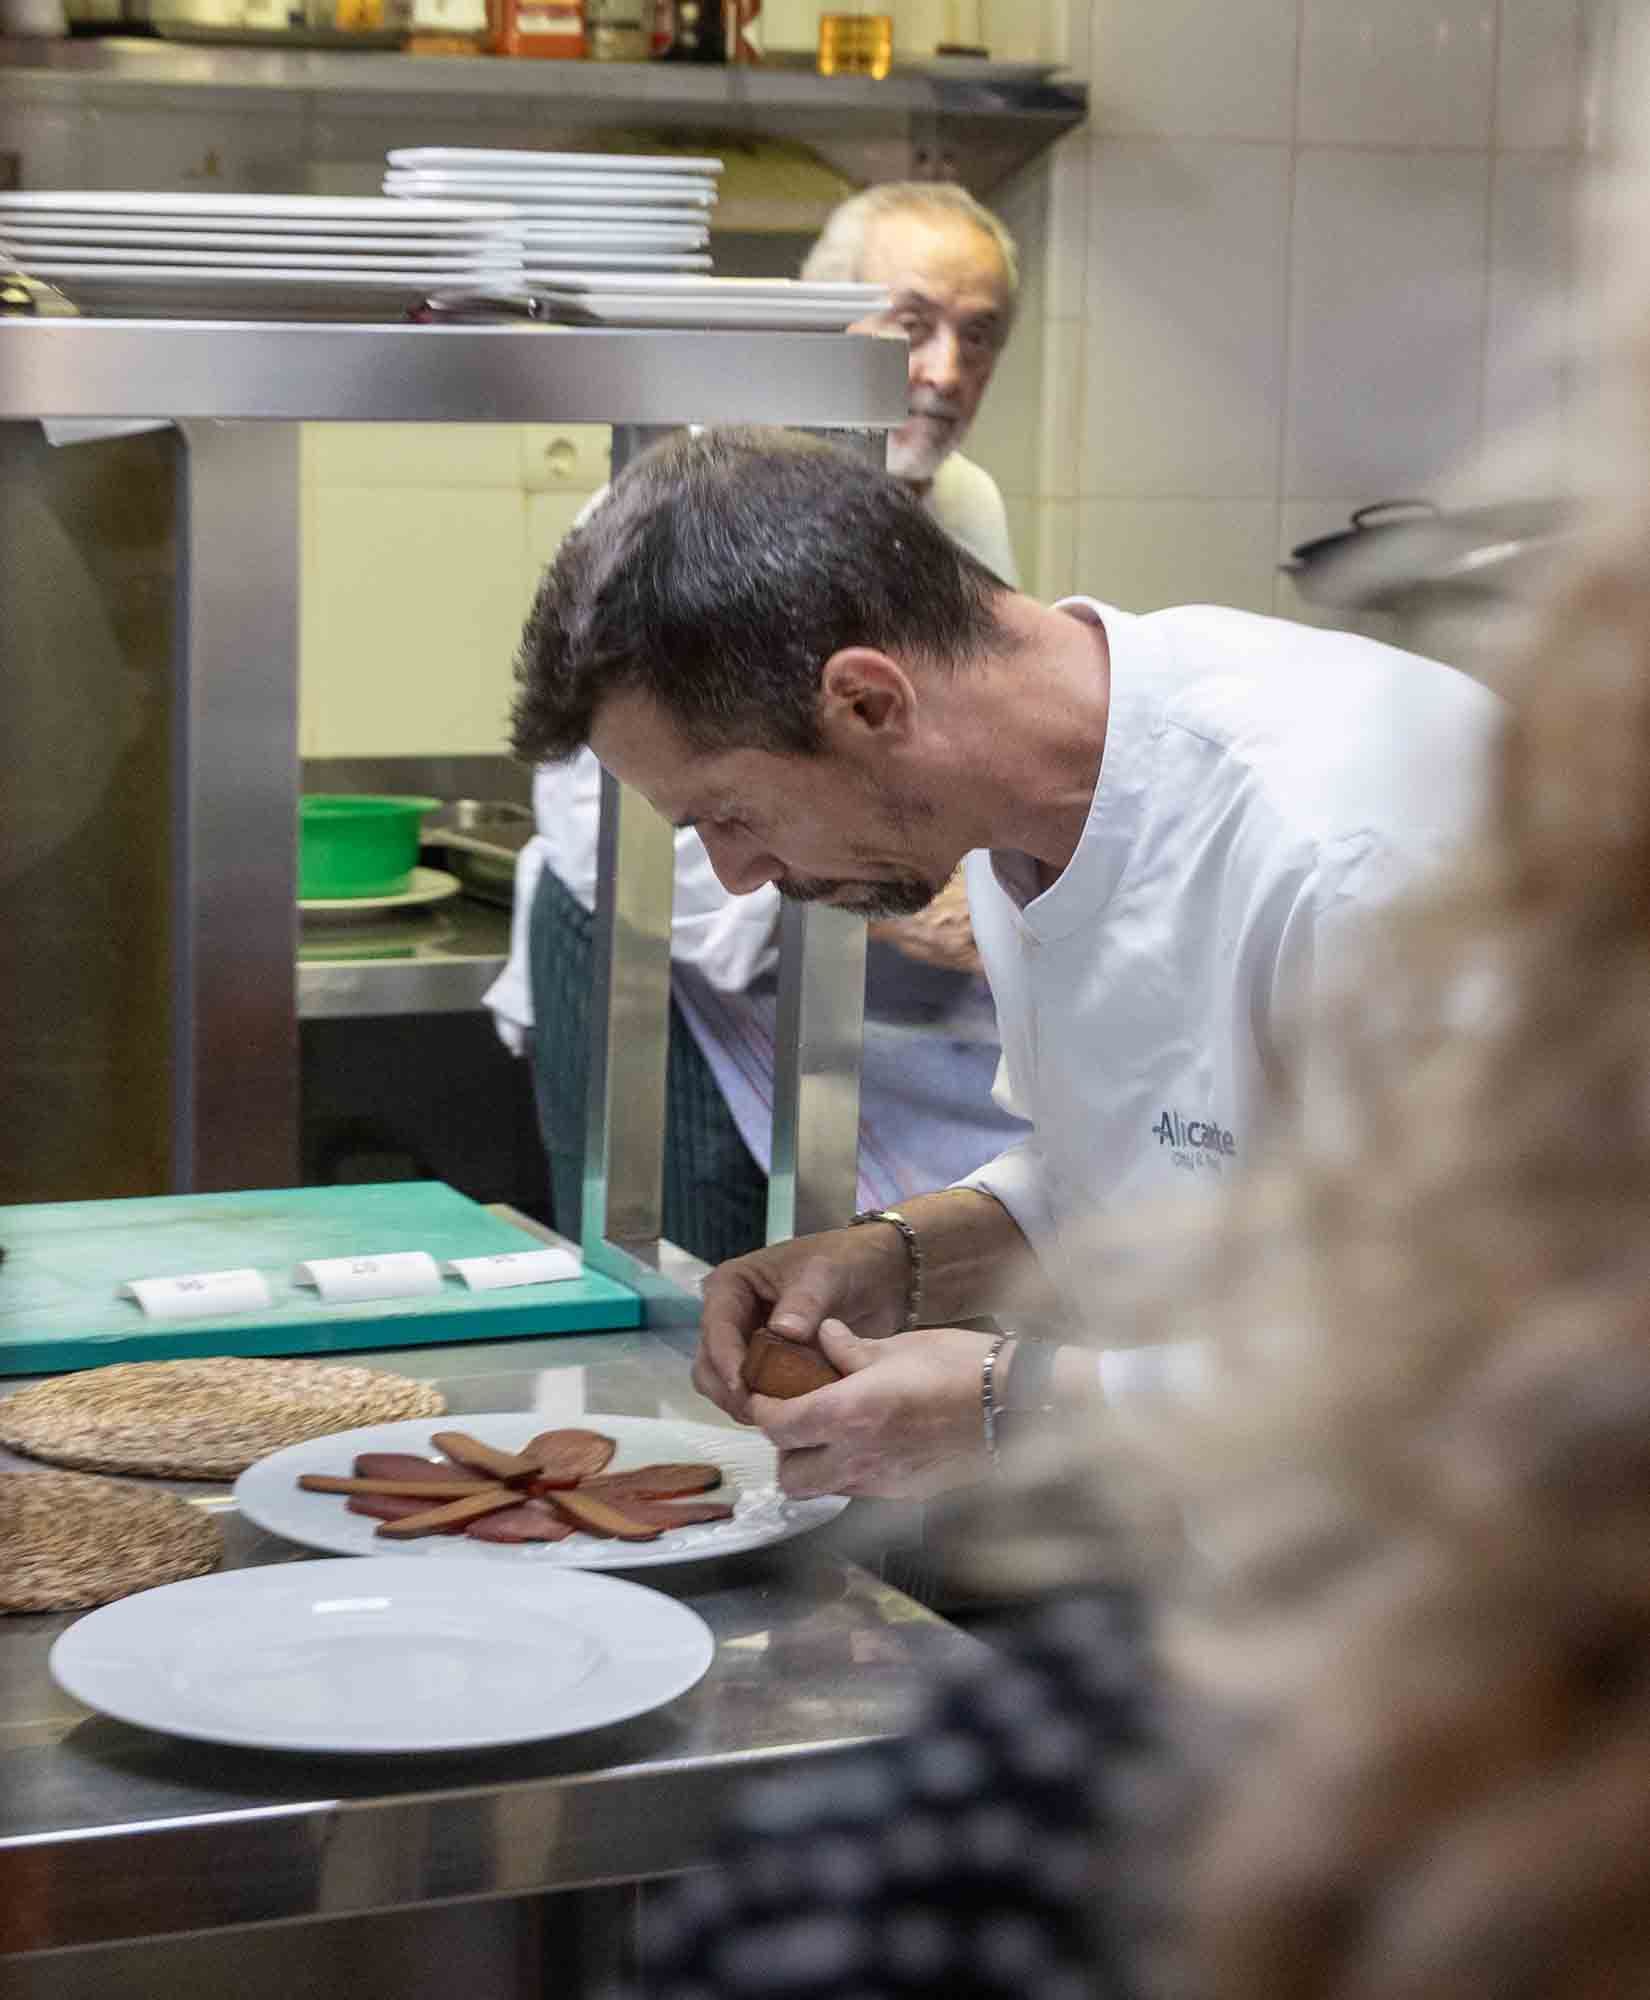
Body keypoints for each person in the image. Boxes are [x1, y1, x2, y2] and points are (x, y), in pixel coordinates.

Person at [508, 425, 1503, 1502]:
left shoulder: (1357, 847)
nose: (737, 875)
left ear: (868, 703)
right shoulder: (1008, 824)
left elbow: (1480, 1355)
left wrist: (1005, 1400)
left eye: (729, 813)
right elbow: (1125, 1176)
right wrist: (897, 1258)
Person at [484, 182, 1028, 1262]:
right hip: (655, 958)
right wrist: (884, 897)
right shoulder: (689, 513)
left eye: (979, 334)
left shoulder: (961, 503)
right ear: (818, 322)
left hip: (836, 960)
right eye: (911, 325)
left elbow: (964, 740)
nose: (946, 370)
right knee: (686, 1294)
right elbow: (626, 820)